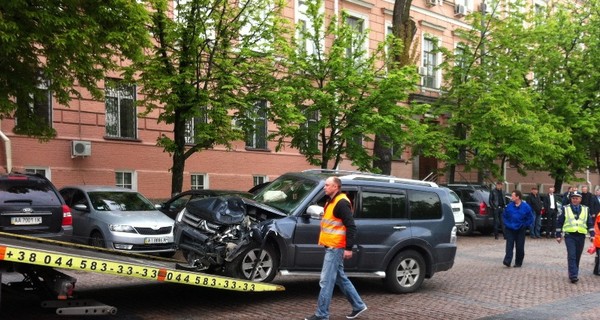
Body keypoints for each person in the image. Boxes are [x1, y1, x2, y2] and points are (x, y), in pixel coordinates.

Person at [305, 177, 367, 320]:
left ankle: (322, 314)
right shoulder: (332, 201)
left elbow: (351, 226)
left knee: (326, 281)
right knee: (340, 278)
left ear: (335, 187)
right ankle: (358, 305)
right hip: (333, 246)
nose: (324, 187)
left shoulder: (341, 203)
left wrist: (348, 248)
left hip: (335, 247)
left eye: (327, 185)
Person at [556, 191, 595, 283]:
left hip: (581, 236)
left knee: (577, 256)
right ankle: (573, 275)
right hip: (570, 235)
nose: (575, 200)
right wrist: (558, 235)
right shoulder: (565, 208)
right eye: (573, 198)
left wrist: (592, 235)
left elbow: (589, 223)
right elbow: (559, 222)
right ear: (571, 199)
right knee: (572, 255)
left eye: (577, 198)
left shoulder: (586, 209)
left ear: (580, 199)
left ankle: (574, 272)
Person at [502, 190, 534, 268]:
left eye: (513, 196)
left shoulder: (526, 207)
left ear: (517, 197)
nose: (511, 197)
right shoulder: (509, 206)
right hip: (510, 228)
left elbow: (530, 218)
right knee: (509, 245)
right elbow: (504, 216)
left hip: (520, 229)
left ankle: (518, 262)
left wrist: (524, 225)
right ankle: (507, 261)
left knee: (520, 246)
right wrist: (507, 224)